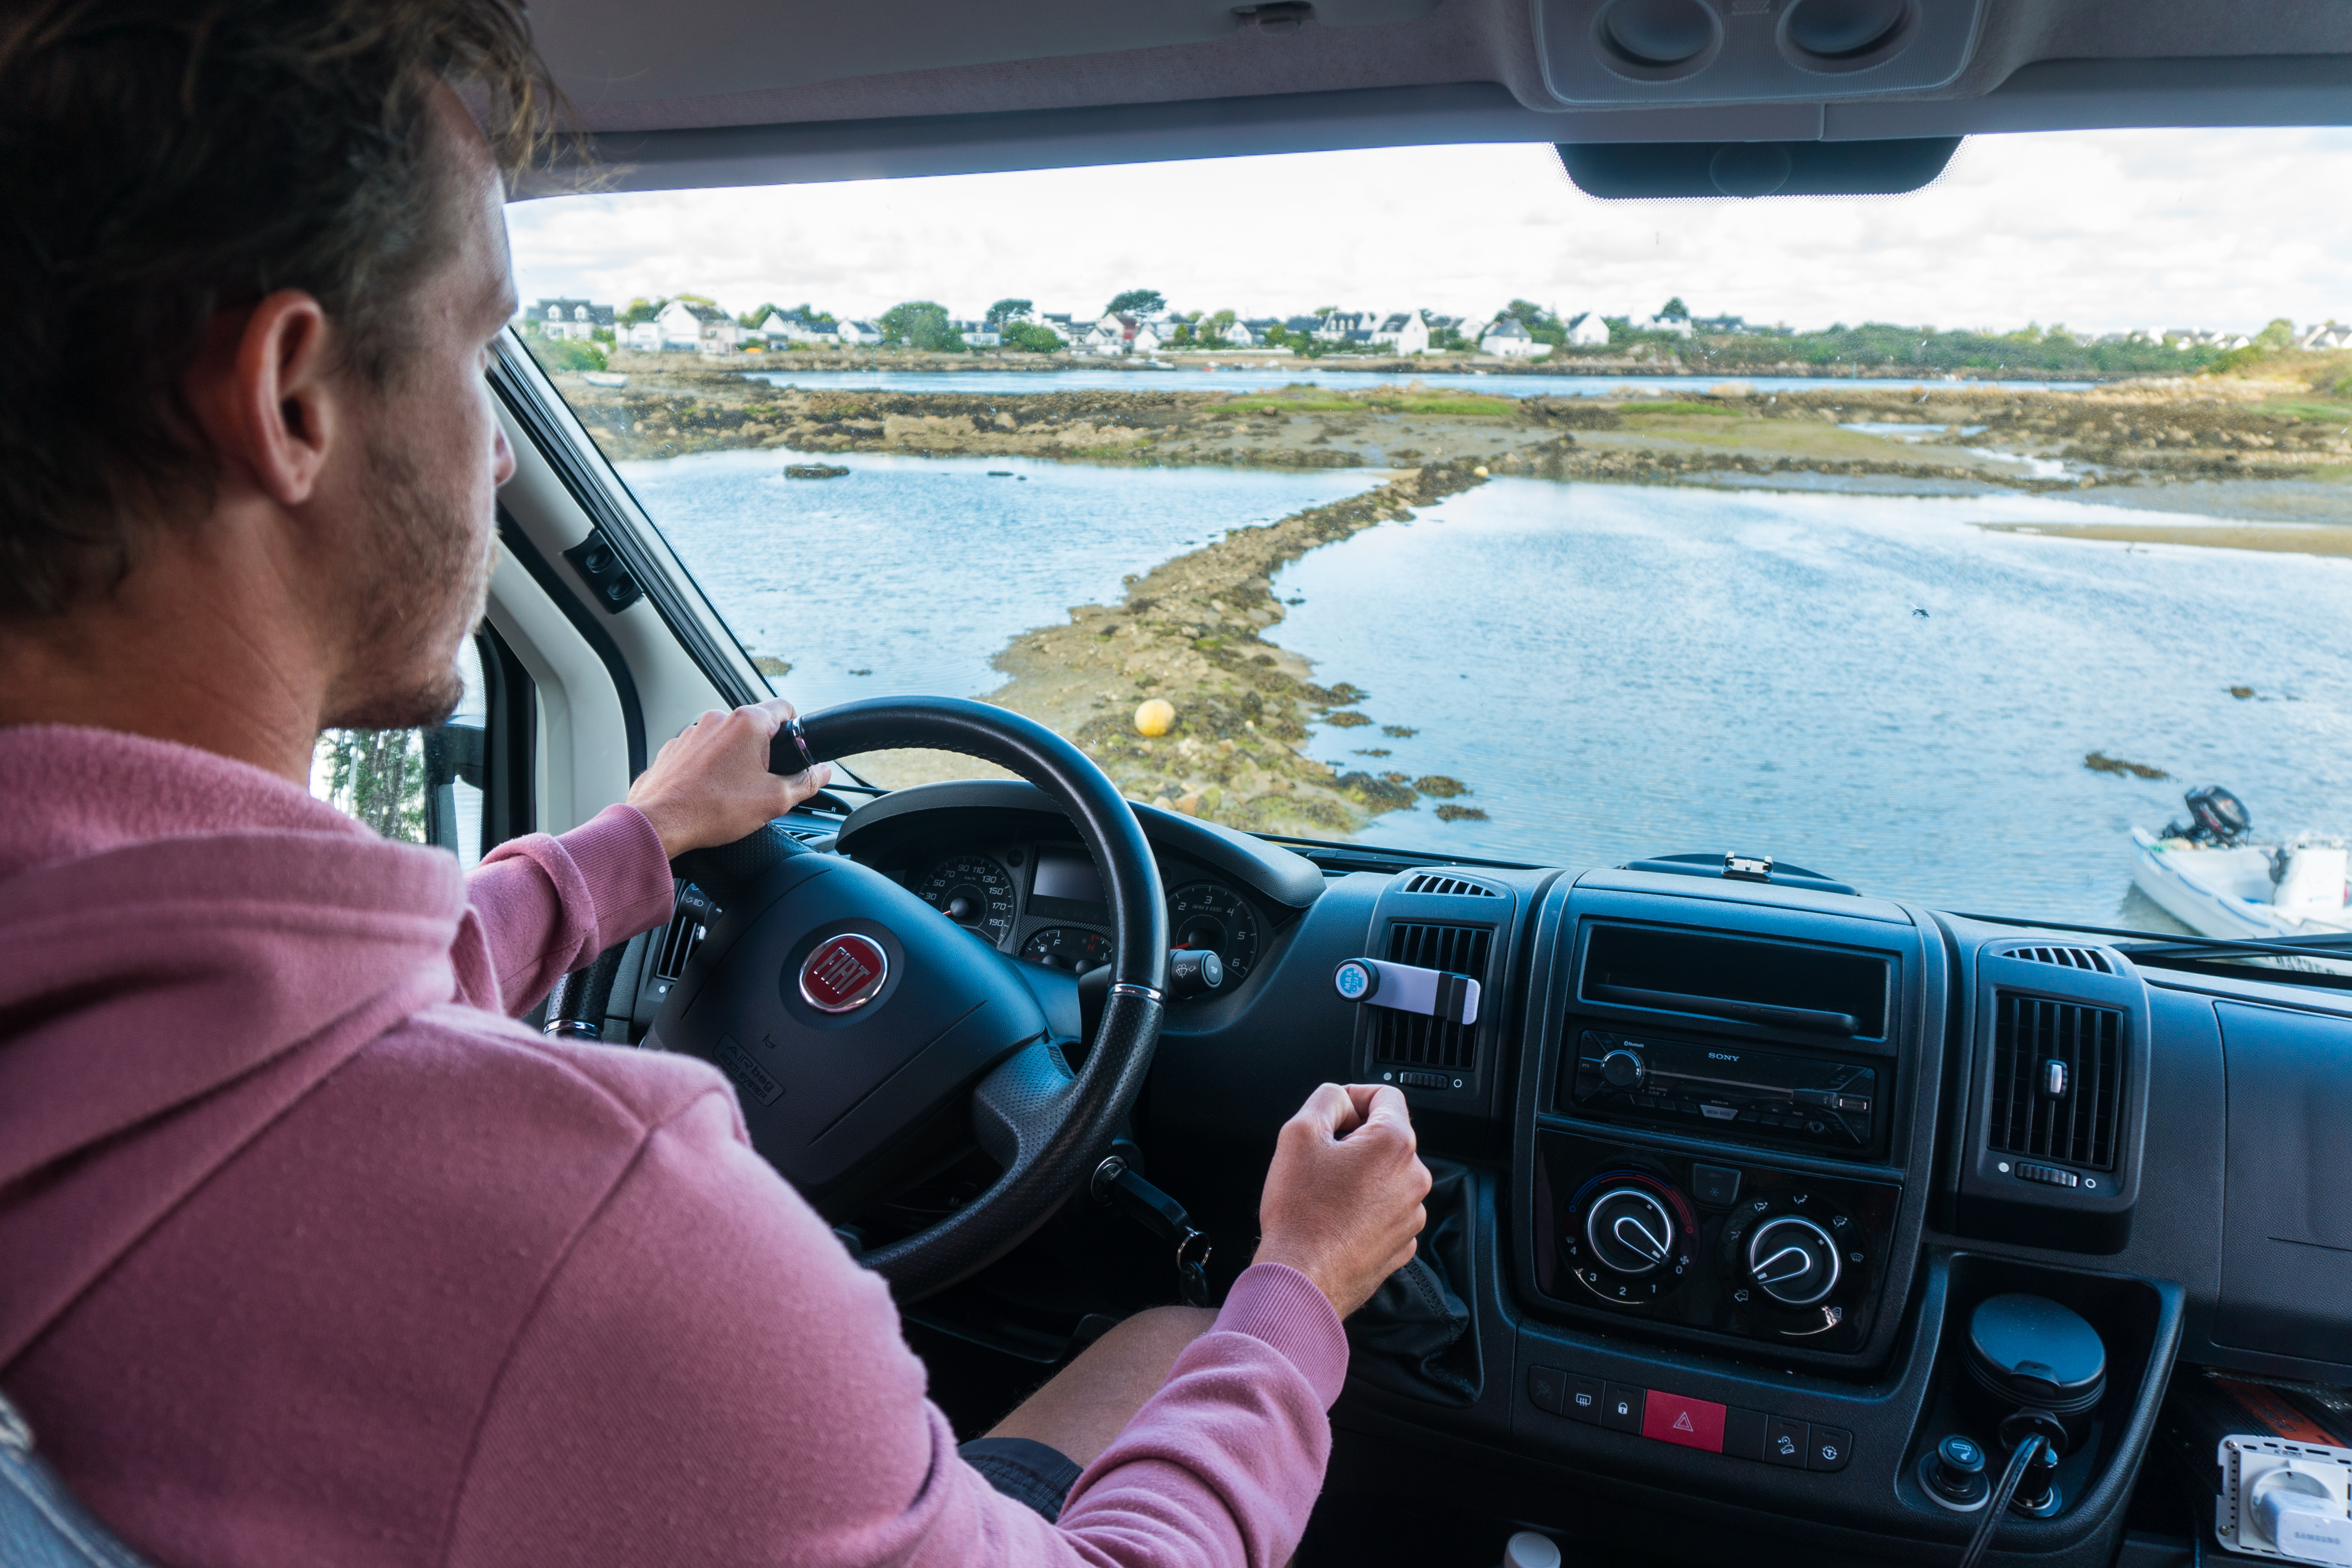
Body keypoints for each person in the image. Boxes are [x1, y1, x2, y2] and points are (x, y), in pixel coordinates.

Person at [0, 3, 1433, 1566]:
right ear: (290, 400)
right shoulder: (589, 1220)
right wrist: (1298, 1281)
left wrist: (643, 842)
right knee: (1181, 1339)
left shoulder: (92, 1009)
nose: (499, 461)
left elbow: (248, 1022)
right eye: (482, 348)